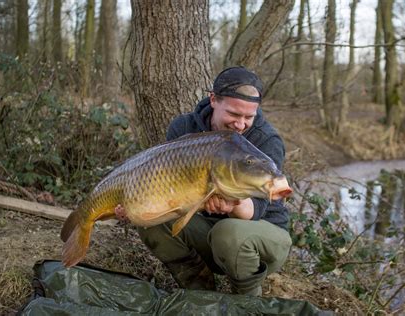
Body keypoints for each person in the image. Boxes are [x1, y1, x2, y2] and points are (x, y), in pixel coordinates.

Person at [116, 66, 292, 296]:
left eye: (249, 117)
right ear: (213, 100)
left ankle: (247, 302)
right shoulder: (184, 128)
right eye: (233, 114)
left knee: (230, 233)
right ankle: (199, 293)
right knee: (152, 220)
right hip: (207, 230)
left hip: (261, 237)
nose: (240, 124)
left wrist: (233, 205)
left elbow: (258, 209)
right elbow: (169, 194)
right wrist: (135, 206)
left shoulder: (266, 139)